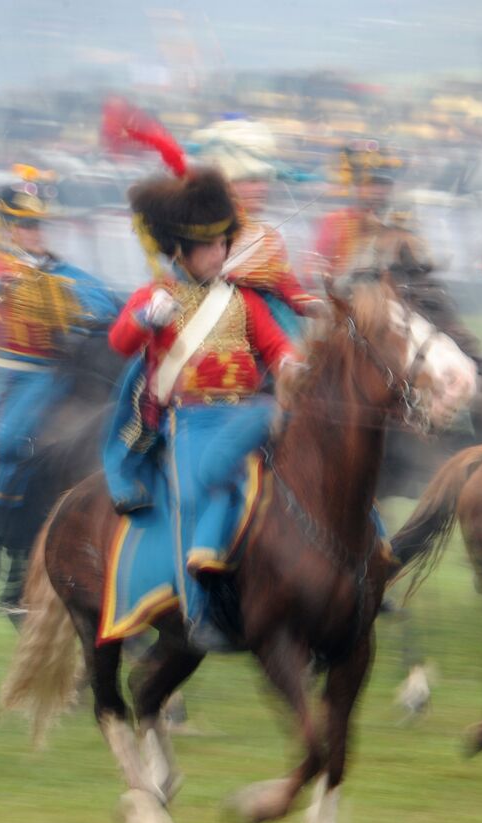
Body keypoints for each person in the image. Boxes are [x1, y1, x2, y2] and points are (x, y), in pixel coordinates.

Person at [105, 165, 302, 652]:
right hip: (191, 422)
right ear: (180, 250)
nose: (221, 253)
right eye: (210, 246)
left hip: (248, 412)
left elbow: (277, 346)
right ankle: (198, 612)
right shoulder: (156, 297)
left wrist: (294, 364)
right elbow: (120, 341)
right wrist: (146, 320)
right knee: (196, 493)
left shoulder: (242, 300)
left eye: (222, 243)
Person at [0, 166, 120, 572]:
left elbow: (103, 301)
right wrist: (26, 286)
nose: (36, 232)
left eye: (39, 225)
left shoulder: (64, 274)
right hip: (15, 373)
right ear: (7, 228)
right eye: (26, 225)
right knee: (6, 439)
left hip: (61, 371)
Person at [311, 140, 482, 374]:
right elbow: (318, 270)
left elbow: (419, 266)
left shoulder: (401, 220)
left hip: (401, 299)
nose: (378, 191)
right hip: (352, 304)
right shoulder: (335, 223)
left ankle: (470, 359)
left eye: (383, 185)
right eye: (371, 184)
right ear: (357, 186)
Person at [193, 117, 326, 342]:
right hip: (203, 325)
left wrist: (316, 305)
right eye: (251, 180)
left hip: (266, 331)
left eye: (264, 179)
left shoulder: (268, 238)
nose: (262, 187)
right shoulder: (196, 230)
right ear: (226, 182)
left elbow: (289, 288)